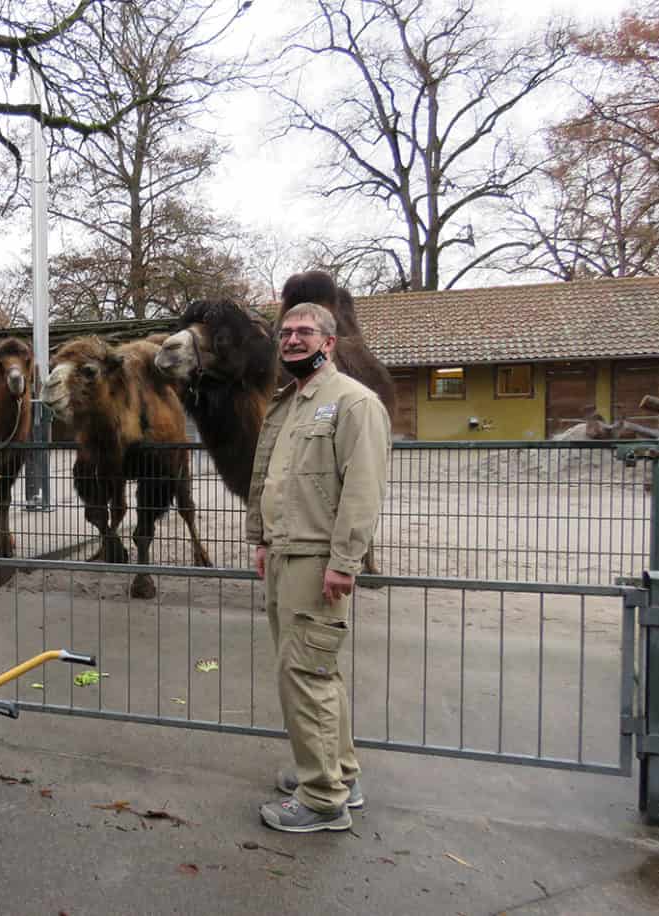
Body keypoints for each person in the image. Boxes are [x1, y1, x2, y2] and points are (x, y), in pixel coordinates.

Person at [245, 301, 391, 833]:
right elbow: (271, 477)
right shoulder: (292, 403)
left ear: (329, 342)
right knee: (313, 671)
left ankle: (322, 799)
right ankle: (339, 774)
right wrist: (261, 538)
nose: (292, 340)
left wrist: (345, 561)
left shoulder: (354, 403)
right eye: (285, 333)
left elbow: (363, 489)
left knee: (306, 674)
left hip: (318, 562)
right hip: (286, 554)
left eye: (304, 332)